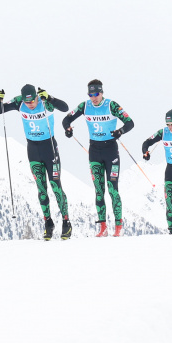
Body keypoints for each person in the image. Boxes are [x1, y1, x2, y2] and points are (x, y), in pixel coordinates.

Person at [0, 84, 72, 240]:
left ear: (37, 97)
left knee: (56, 186)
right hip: (33, 150)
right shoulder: (19, 102)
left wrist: (50, 97)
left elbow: (65, 108)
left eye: (32, 101)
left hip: (49, 148)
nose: (30, 104)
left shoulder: (45, 102)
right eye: (27, 101)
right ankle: (48, 223)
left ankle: (66, 221)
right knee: (41, 189)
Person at [61, 79, 135, 237]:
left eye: (96, 94)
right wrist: (68, 129)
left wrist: (120, 131)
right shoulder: (85, 106)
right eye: (91, 94)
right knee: (99, 190)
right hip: (94, 151)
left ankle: (118, 226)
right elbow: (66, 119)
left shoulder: (111, 105)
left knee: (113, 189)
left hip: (111, 151)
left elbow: (130, 122)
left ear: (102, 93)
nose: (94, 97)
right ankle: (103, 227)